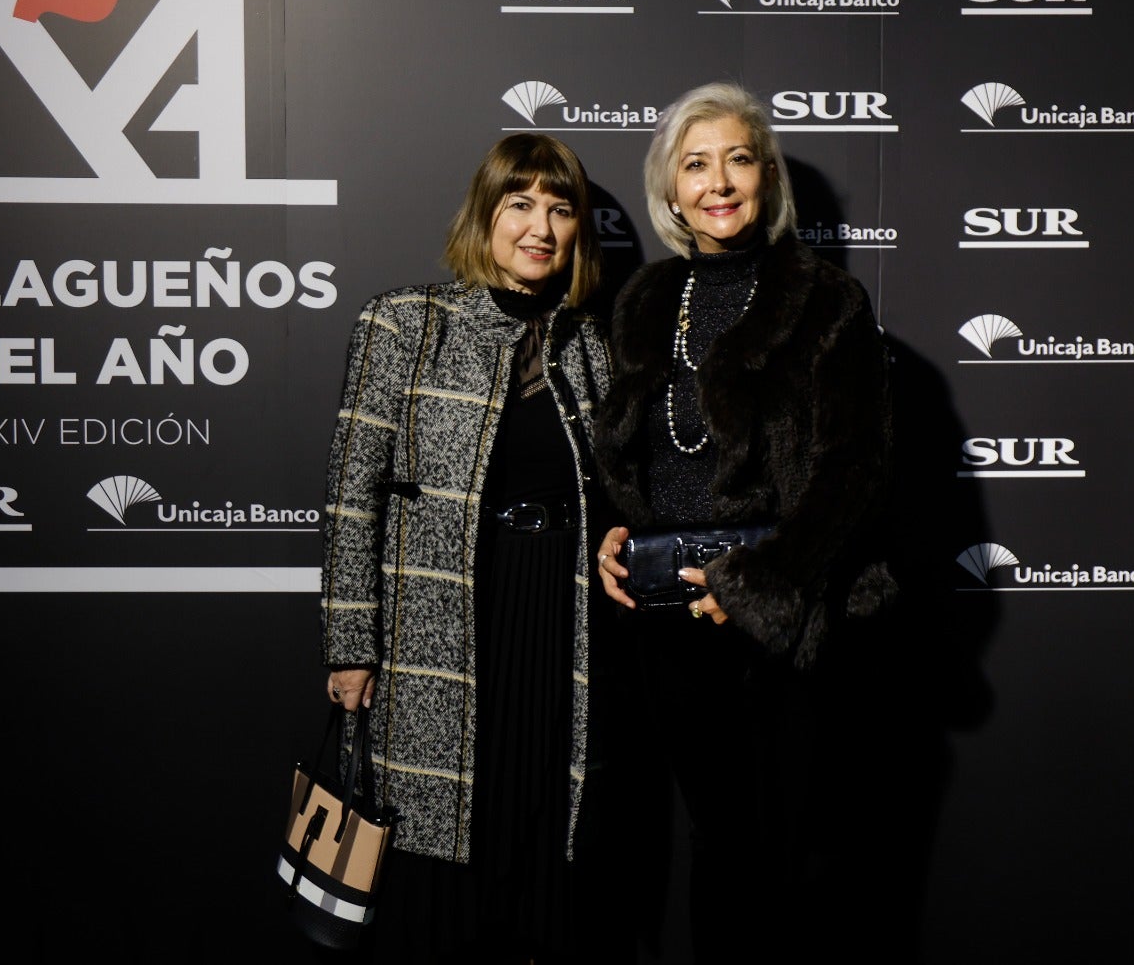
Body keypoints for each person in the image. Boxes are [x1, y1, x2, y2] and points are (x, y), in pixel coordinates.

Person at [592, 82, 897, 961]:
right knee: (717, 849)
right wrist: (617, 533)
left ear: (766, 176)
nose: (717, 182)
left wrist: (760, 590)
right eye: (696, 164)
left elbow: (857, 472)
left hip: (794, 621)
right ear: (671, 190)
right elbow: (636, 454)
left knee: (803, 861)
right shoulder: (646, 301)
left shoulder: (827, 300)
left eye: (737, 158)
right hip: (673, 625)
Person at [319, 133, 628, 963]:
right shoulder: (403, 324)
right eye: (519, 204)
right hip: (442, 622)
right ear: (484, 216)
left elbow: (621, 498)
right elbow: (353, 497)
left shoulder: (594, 349)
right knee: (443, 834)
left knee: (537, 821)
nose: (541, 227)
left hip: (558, 621)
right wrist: (351, 645)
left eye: (561, 210)